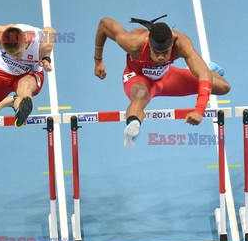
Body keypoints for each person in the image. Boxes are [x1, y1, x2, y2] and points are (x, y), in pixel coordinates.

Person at [93, 15, 230, 148]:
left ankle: (201, 66)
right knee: (140, 96)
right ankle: (133, 125)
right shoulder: (133, 43)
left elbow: (204, 74)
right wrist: (98, 61)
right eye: (156, 52)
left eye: (165, 52)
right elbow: (104, 24)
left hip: (167, 77)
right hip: (138, 77)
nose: (160, 57)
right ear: (149, 46)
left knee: (223, 87)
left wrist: (199, 110)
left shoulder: (181, 43)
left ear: (171, 45)